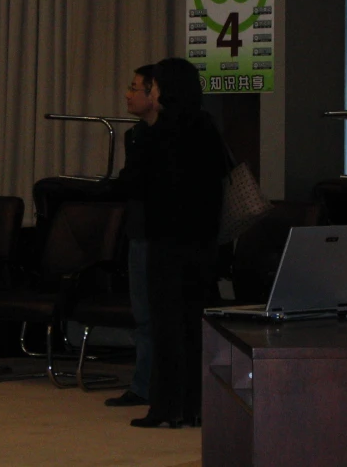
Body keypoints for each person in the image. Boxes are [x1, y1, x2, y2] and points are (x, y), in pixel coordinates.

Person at [128, 57, 227, 429]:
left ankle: (166, 407)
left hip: (167, 243)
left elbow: (138, 184)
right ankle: (196, 406)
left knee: (166, 327)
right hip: (202, 243)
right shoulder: (205, 125)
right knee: (195, 327)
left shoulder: (159, 131)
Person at [104, 64, 159, 407]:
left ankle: (163, 385)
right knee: (143, 314)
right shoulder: (135, 135)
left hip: (170, 235)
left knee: (163, 314)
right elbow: (131, 182)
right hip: (140, 230)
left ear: (155, 95)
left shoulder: (175, 135)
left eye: (135, 88)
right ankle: (142, 385)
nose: (128, 94)